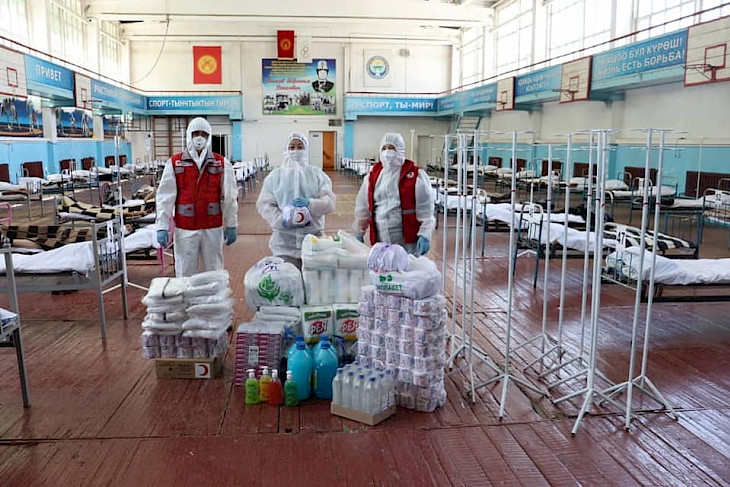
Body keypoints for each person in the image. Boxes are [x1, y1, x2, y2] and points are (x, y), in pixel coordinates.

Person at [155, 117, 238, 277]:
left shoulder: (221, 163)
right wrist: (162, 226)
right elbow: (165, 197)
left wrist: (231, 223)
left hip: (212, 226)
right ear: (189, 135)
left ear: (209, 136)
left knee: (214, 271)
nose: (199, 138)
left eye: (203, 134)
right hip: (185, 228)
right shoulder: (175, 163)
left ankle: (214, 294)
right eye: (196, 133)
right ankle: (185, 294)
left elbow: (230, 196)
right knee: (185, 272)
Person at [256, 132, 336, 267]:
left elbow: (330, 203)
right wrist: (282, 219)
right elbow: (264, 204)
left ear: (306, 149)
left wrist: (311, 204)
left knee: (311, 278)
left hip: (313, 241)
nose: (295, 151)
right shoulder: (275, 176)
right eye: (292, 147)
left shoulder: (317, 174)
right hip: (283, 244)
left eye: (300, 147)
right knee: (287, 278)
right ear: (286, 150)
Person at [353, 133, 435, 255]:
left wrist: (425, 234)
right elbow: (363, 206)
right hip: (380, 236)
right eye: (384, 148)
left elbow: (426, 209)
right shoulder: (373, 175)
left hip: (406, 238)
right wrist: (359, 231)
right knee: (383, 264)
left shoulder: (415, 175)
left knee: (405, 265)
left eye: (391, 148)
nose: (387, 152)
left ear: (400, 149)